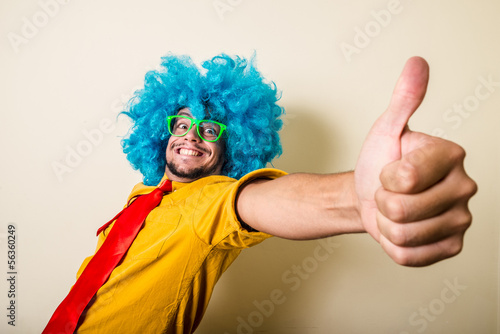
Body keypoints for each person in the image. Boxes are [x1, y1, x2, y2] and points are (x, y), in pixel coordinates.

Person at [43, 54, 476, 333]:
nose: (192, 136)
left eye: (210, 129)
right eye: (181, 124)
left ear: (231, 145)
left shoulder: (212, 202)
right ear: (162, 132)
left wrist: (357, 200)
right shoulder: (143, 195)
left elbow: (258, 204)